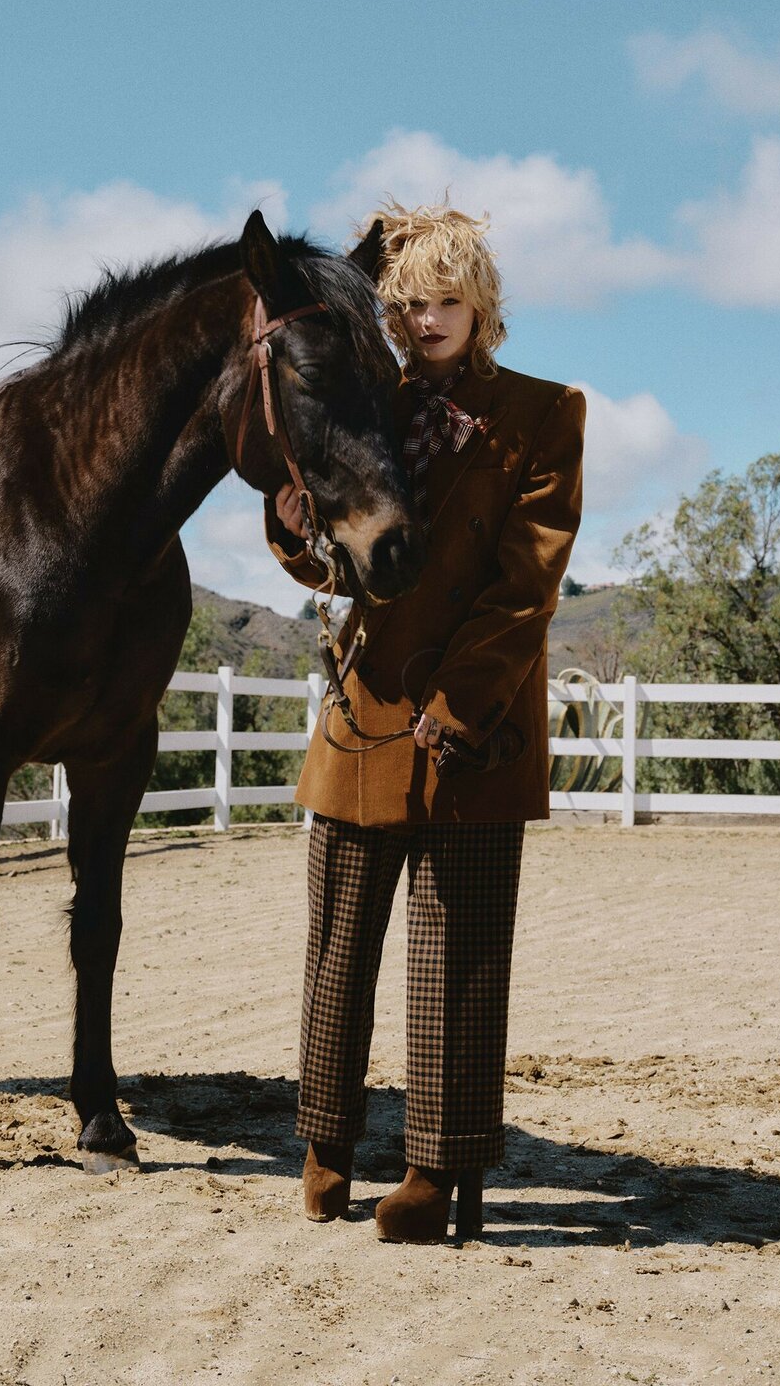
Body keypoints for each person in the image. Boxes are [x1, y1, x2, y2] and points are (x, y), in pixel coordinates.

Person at [264, 198, 584, 1243]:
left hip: (474, 725)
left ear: (480, 303)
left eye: (446, 299)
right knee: (337, 948)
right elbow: (339, 565)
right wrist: (294, 535)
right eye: (407, 305)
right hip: (367, 710)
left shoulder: (545, 412)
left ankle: (436, 1170)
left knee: (458, 958)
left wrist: (459, 707)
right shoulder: (368, 402)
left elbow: (527, 584)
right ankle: (324, 1141)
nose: (427, 320)